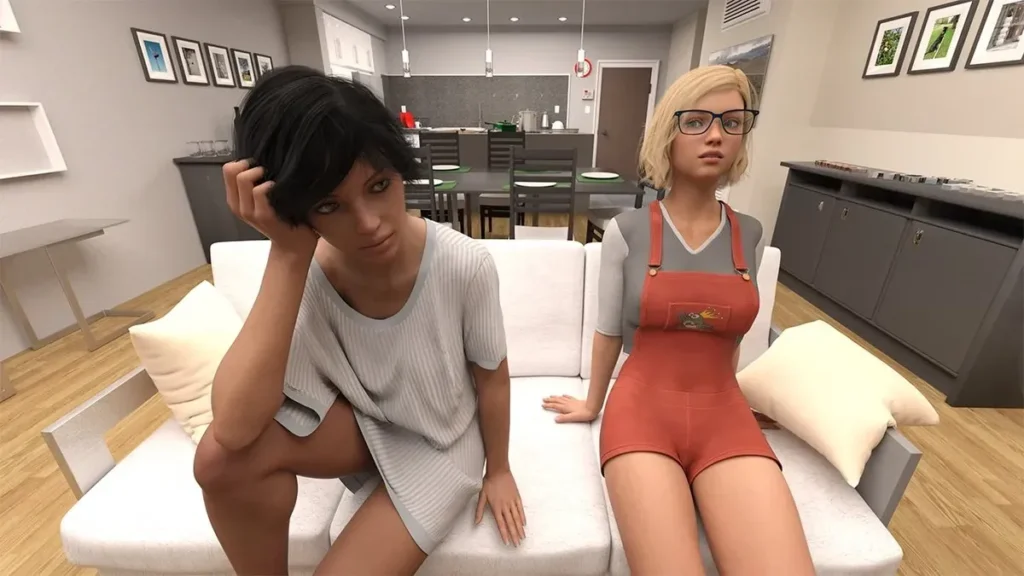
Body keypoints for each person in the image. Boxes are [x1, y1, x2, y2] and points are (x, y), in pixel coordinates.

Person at [192, 65, 525, 576]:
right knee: (218, 462)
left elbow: (493, 379)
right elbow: (233, 432)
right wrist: (287, 253)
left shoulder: (464, 264)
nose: (369, 224)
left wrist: (498, 469)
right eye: (330, 204)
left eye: (379, 185)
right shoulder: (305, 269)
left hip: (441, 442)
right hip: (368, 428)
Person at [542, 65, 815, 575]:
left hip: (724, 414)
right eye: (696, 121)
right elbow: (606, 331)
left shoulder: (750, 235)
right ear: (669, 132)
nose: (715, 135)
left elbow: (729, 336)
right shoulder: (626, 231)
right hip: (641, 413)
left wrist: (741, 397)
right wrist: (592, 403)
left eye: (732, 122)